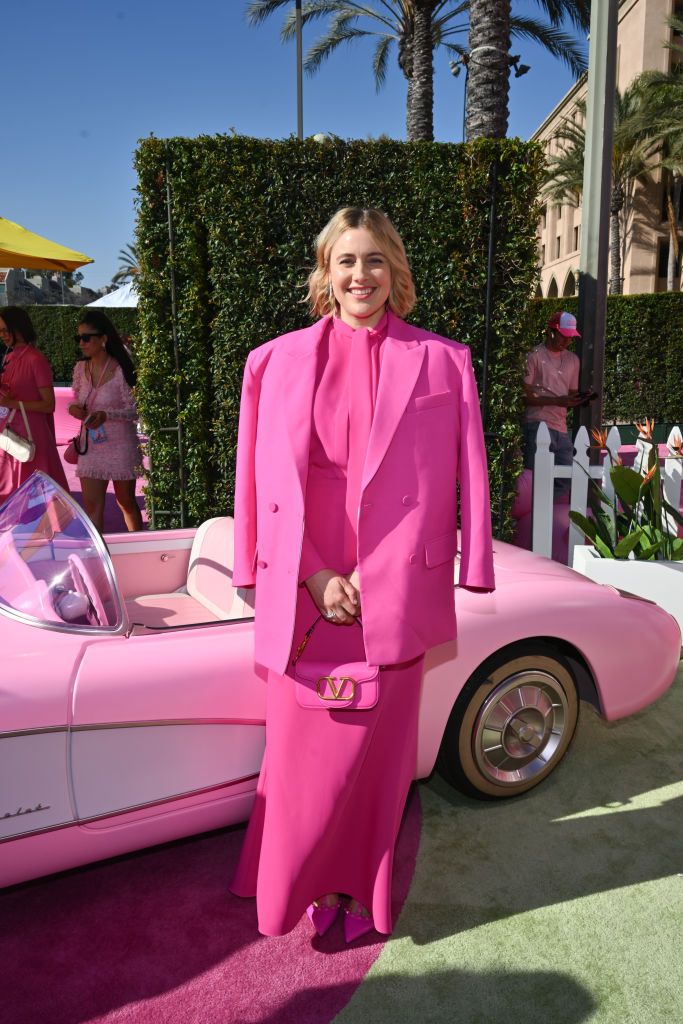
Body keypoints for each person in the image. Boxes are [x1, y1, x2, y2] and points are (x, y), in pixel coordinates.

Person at [229, 207, 495, 943]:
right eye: (345, 261)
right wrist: (312, 575)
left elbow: (465, 472)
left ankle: (353, 893)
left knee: (374, 771)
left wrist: (468, 566)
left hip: (397, 594)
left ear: (395, 271)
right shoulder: (271, 361)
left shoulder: (444, 361)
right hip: (304, 596)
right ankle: (293, 881)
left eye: (375, 260)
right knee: (303, 766)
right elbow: (257, 483)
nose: (360, 275)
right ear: (324, 272)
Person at [69, 310, 143, 533]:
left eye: (86, 337)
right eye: (78, 338)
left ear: (103, 339)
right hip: (91, 446)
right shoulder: (81, 368)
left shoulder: (122, 369)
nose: (81, 343)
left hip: (121, 445)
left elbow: (135, 411)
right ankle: (98, 563)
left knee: (126, 502)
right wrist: (76, 410)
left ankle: (138, 548)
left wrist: (106, 415)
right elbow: (79, 400)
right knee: (92, 507)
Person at [0, 307, 70, 504]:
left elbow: (49, 404)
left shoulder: (35, 359)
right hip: (11, 433)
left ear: (18, 328)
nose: (3, 335)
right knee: (15, 492)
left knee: (36, 495)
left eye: (6, 330)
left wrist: (11, 402)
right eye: (0, 330)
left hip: (30, 435)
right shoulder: (10, 356)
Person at [523, 310, 586, 476]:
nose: (568, 340)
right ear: (551, 332)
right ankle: (537, 502)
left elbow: (571, 395)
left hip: (561, 427)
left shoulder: (573, 360)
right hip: (536, 424)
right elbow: (525, 396)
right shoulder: (533, 356)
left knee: (567, 477)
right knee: (534, 477)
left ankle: (543, 502)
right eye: (564, 335)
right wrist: (557, 401)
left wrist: (584, 399)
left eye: (571, 336)